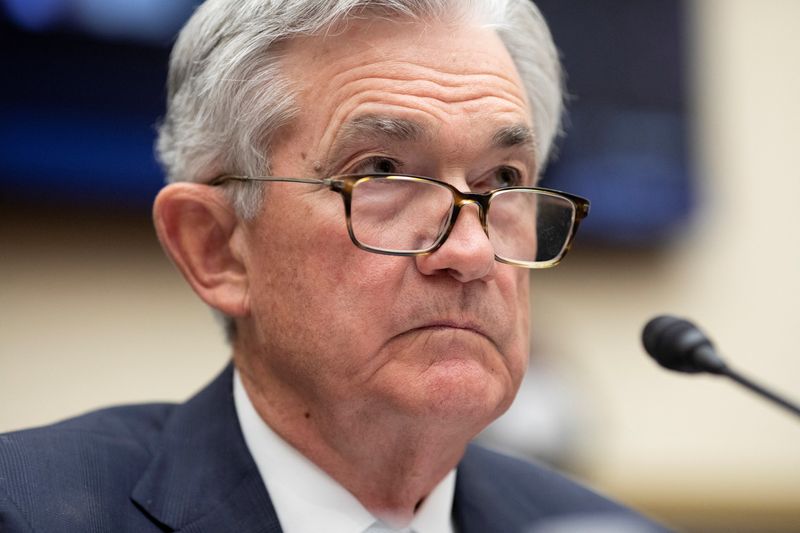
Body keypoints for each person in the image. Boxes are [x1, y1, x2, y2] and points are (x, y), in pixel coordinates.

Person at [0, 1, 668, 531]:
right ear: (216, 247)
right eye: (379, 171)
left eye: (501, 180)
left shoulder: (592, 526)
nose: (469, 251)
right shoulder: (27, 510)